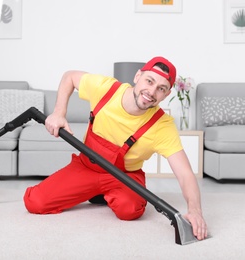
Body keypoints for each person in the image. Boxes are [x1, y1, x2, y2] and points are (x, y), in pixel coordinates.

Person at [23, 56, 208, 241]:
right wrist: (59, 112)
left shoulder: (162, 126)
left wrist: (195, 211)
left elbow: (185, 174)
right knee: (34, 202)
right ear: (137, 76)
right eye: (149, 81)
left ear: (166, 95)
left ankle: (103, 193)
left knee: (130, 210)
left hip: (124, 177)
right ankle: (97, 192)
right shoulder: (106, 89)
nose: (151, 92)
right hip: (87, 167)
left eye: (161, 89)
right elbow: (69, 77)